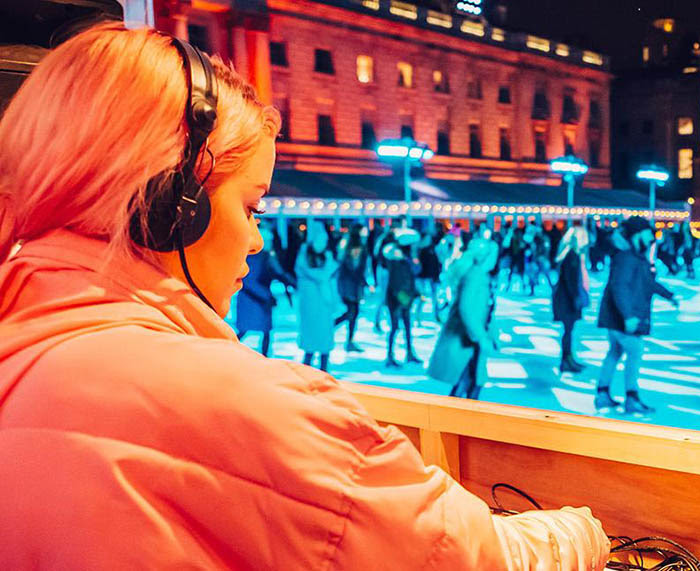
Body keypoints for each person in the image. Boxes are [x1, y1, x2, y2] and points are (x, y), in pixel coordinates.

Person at [0, 23, 610, 569]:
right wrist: (583, 532)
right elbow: (464, 555)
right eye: (250, 204)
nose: (259, 240)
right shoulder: (246, 409)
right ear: (171, 205)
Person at [595, 216, 679, 414]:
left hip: (617, 316)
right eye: (648, 235)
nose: (652, 239)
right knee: (635, 351)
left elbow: (646, 283)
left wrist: (668, 295)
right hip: (622, 317)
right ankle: (631, 397)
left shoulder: (633, 255)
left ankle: (602, 393)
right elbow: (620, 287)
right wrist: (628, 316)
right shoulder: (627, 257)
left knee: (615, 352)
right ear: (637, 235)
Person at [429, 238, 498, 400]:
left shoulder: (474, 273)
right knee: (469, 382)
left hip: (466, 336)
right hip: (466, 338)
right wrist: (481, 336)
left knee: (468, 381)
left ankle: (460, 419)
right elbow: (466, 308)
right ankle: (458, 420)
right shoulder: (476, 276)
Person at [236, 223, 296, 356]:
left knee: (263, 330)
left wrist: (292, 282)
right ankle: (232, 351)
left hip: (258, 298)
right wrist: (266, 296)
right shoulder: (254, 258)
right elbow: (250, 280)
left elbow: (278, 272)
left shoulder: (264, 256)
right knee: (251, 329)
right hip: (253, 299)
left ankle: (263, 355)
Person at [295, 221, 338, 371]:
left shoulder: (327, 257)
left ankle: (323, 370)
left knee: (324, 341)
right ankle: (306, 370)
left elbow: (329, 277)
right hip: (310, 304)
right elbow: (308, 274)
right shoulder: (304, 255)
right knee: (310, 341)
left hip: (324, 306)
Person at [552, 226, 590, 374]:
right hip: (567, 299)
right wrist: (575, 298)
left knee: (569, 330)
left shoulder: (568, 254)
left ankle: (568, 359)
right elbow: (570, 280)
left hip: (566, 298)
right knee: (568, 330)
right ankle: (566, 360)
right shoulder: (571, 256)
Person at [384, 228, 422, 367]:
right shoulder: (397, 259)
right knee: (395, 327)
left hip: (404, 296)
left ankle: (408, 352)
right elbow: (397, 281)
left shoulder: (405, 259)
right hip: (397, 298)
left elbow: (415, 272)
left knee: (406, 325)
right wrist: (401, 298)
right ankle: (390, 355)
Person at [334, 224, 369, 352]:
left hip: (349, 284)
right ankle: (337, 331)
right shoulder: (354, 246)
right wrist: (361, 279)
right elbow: (353, 266)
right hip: (351, 285)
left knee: (352, 312)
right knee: (352, 312)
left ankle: (349, 340)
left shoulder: (346, 244)